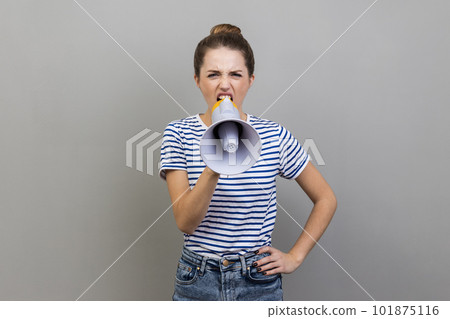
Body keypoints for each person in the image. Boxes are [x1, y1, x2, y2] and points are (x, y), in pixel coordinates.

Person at [159, 24, 337, 301]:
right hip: (197, 279)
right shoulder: (178, 133)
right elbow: (185, 222)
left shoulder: (273, 135)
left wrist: (295, 257)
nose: (225, 84)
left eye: (235, 74)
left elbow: (326, 198)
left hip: (257, 281)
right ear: (197, 80)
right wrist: (216, 163)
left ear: (250, 80)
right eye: (213, 74)